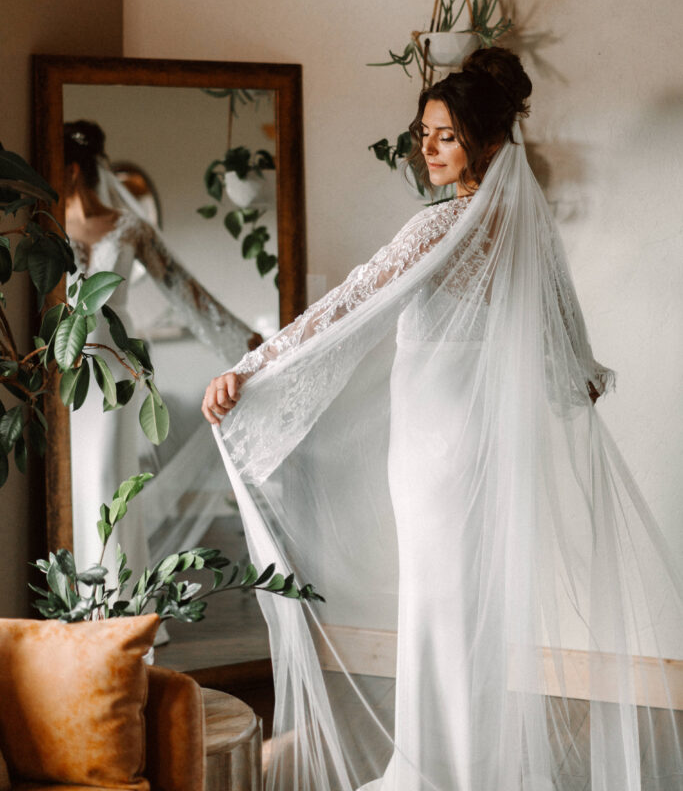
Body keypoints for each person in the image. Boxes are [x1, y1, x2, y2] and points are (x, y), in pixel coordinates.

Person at [203, 49, 682, 790]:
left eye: (444, 136)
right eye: (422, 132)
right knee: (475, 611)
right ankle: (473, 763)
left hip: (433, 455)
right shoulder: (531, 233)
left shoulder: (436, 229)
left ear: (487, 144)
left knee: (438, 605)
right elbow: (573, 364)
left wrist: (253, 370)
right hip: (491, 449)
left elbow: (348, 302)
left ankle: (436, 770)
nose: (424, 148)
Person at [64, 120, 259, 586]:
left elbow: (183, 290)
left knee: (107, 473)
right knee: (70, 477)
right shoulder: (41, 226)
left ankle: (116, 601)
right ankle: (71, 601)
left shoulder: (129, 228)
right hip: (63, 363)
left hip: (116, 359)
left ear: (72, 170)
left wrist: (251, 344)